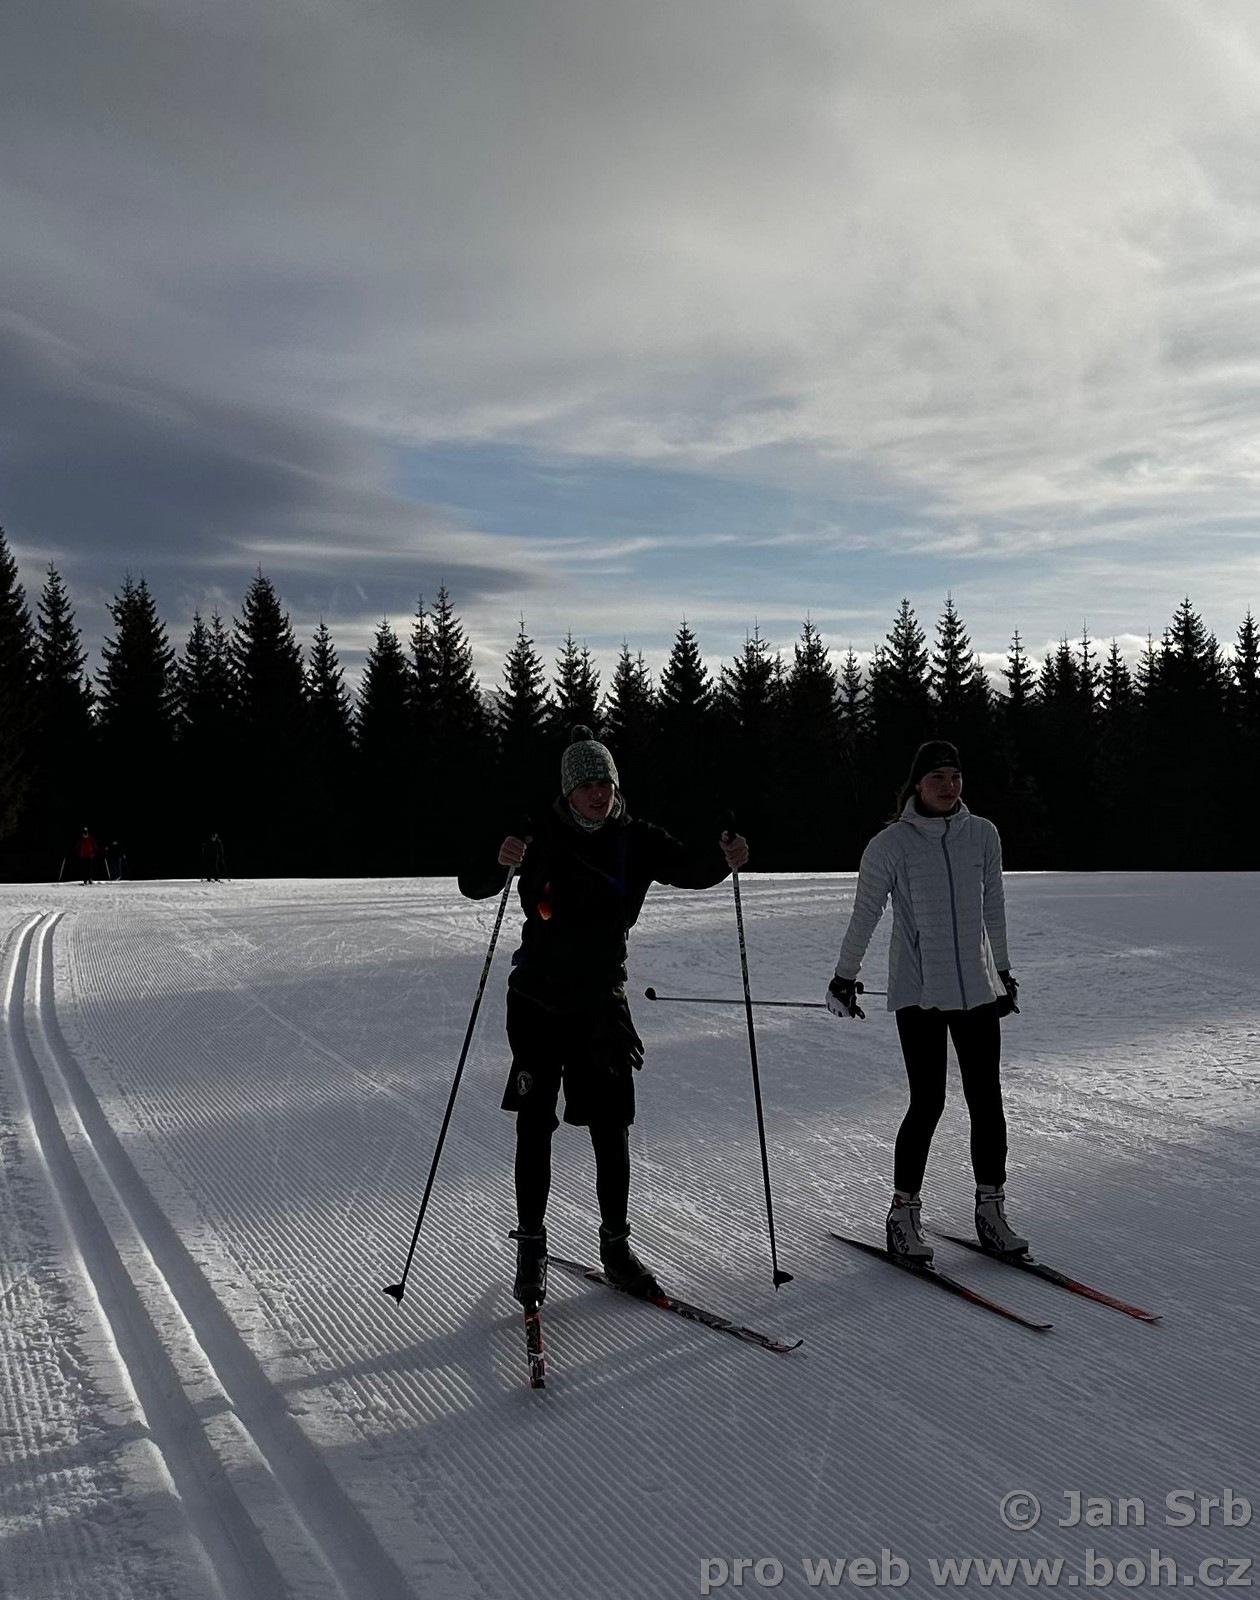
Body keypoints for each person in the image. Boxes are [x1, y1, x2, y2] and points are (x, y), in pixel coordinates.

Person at [458, 724, 749, 1308]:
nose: (598, 794)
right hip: (537, 1000)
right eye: (587, 784)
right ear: (568, 790)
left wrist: (726, 858)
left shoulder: (634, 837)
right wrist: (499, 857)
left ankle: (616, 1247)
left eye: (606, 783)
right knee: (534, 1123)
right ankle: (531, 1247)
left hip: (601, 1005)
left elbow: (689, 867)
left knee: (611, 1127)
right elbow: (474, 884)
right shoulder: (536, 834)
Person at [825, 740, 1025, 1263]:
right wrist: (845, 977)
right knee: (928, 1101)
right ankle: (903, 1215)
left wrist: (1002, 973)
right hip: (919, 993)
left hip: (976, 990)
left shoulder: (982, 835)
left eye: (955, 776)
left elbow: (994, 906)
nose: (948, 786)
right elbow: (865, 913)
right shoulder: (890, 844)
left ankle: (991, 1211)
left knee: (987, 1100)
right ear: (917, 784)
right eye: (937, 776)